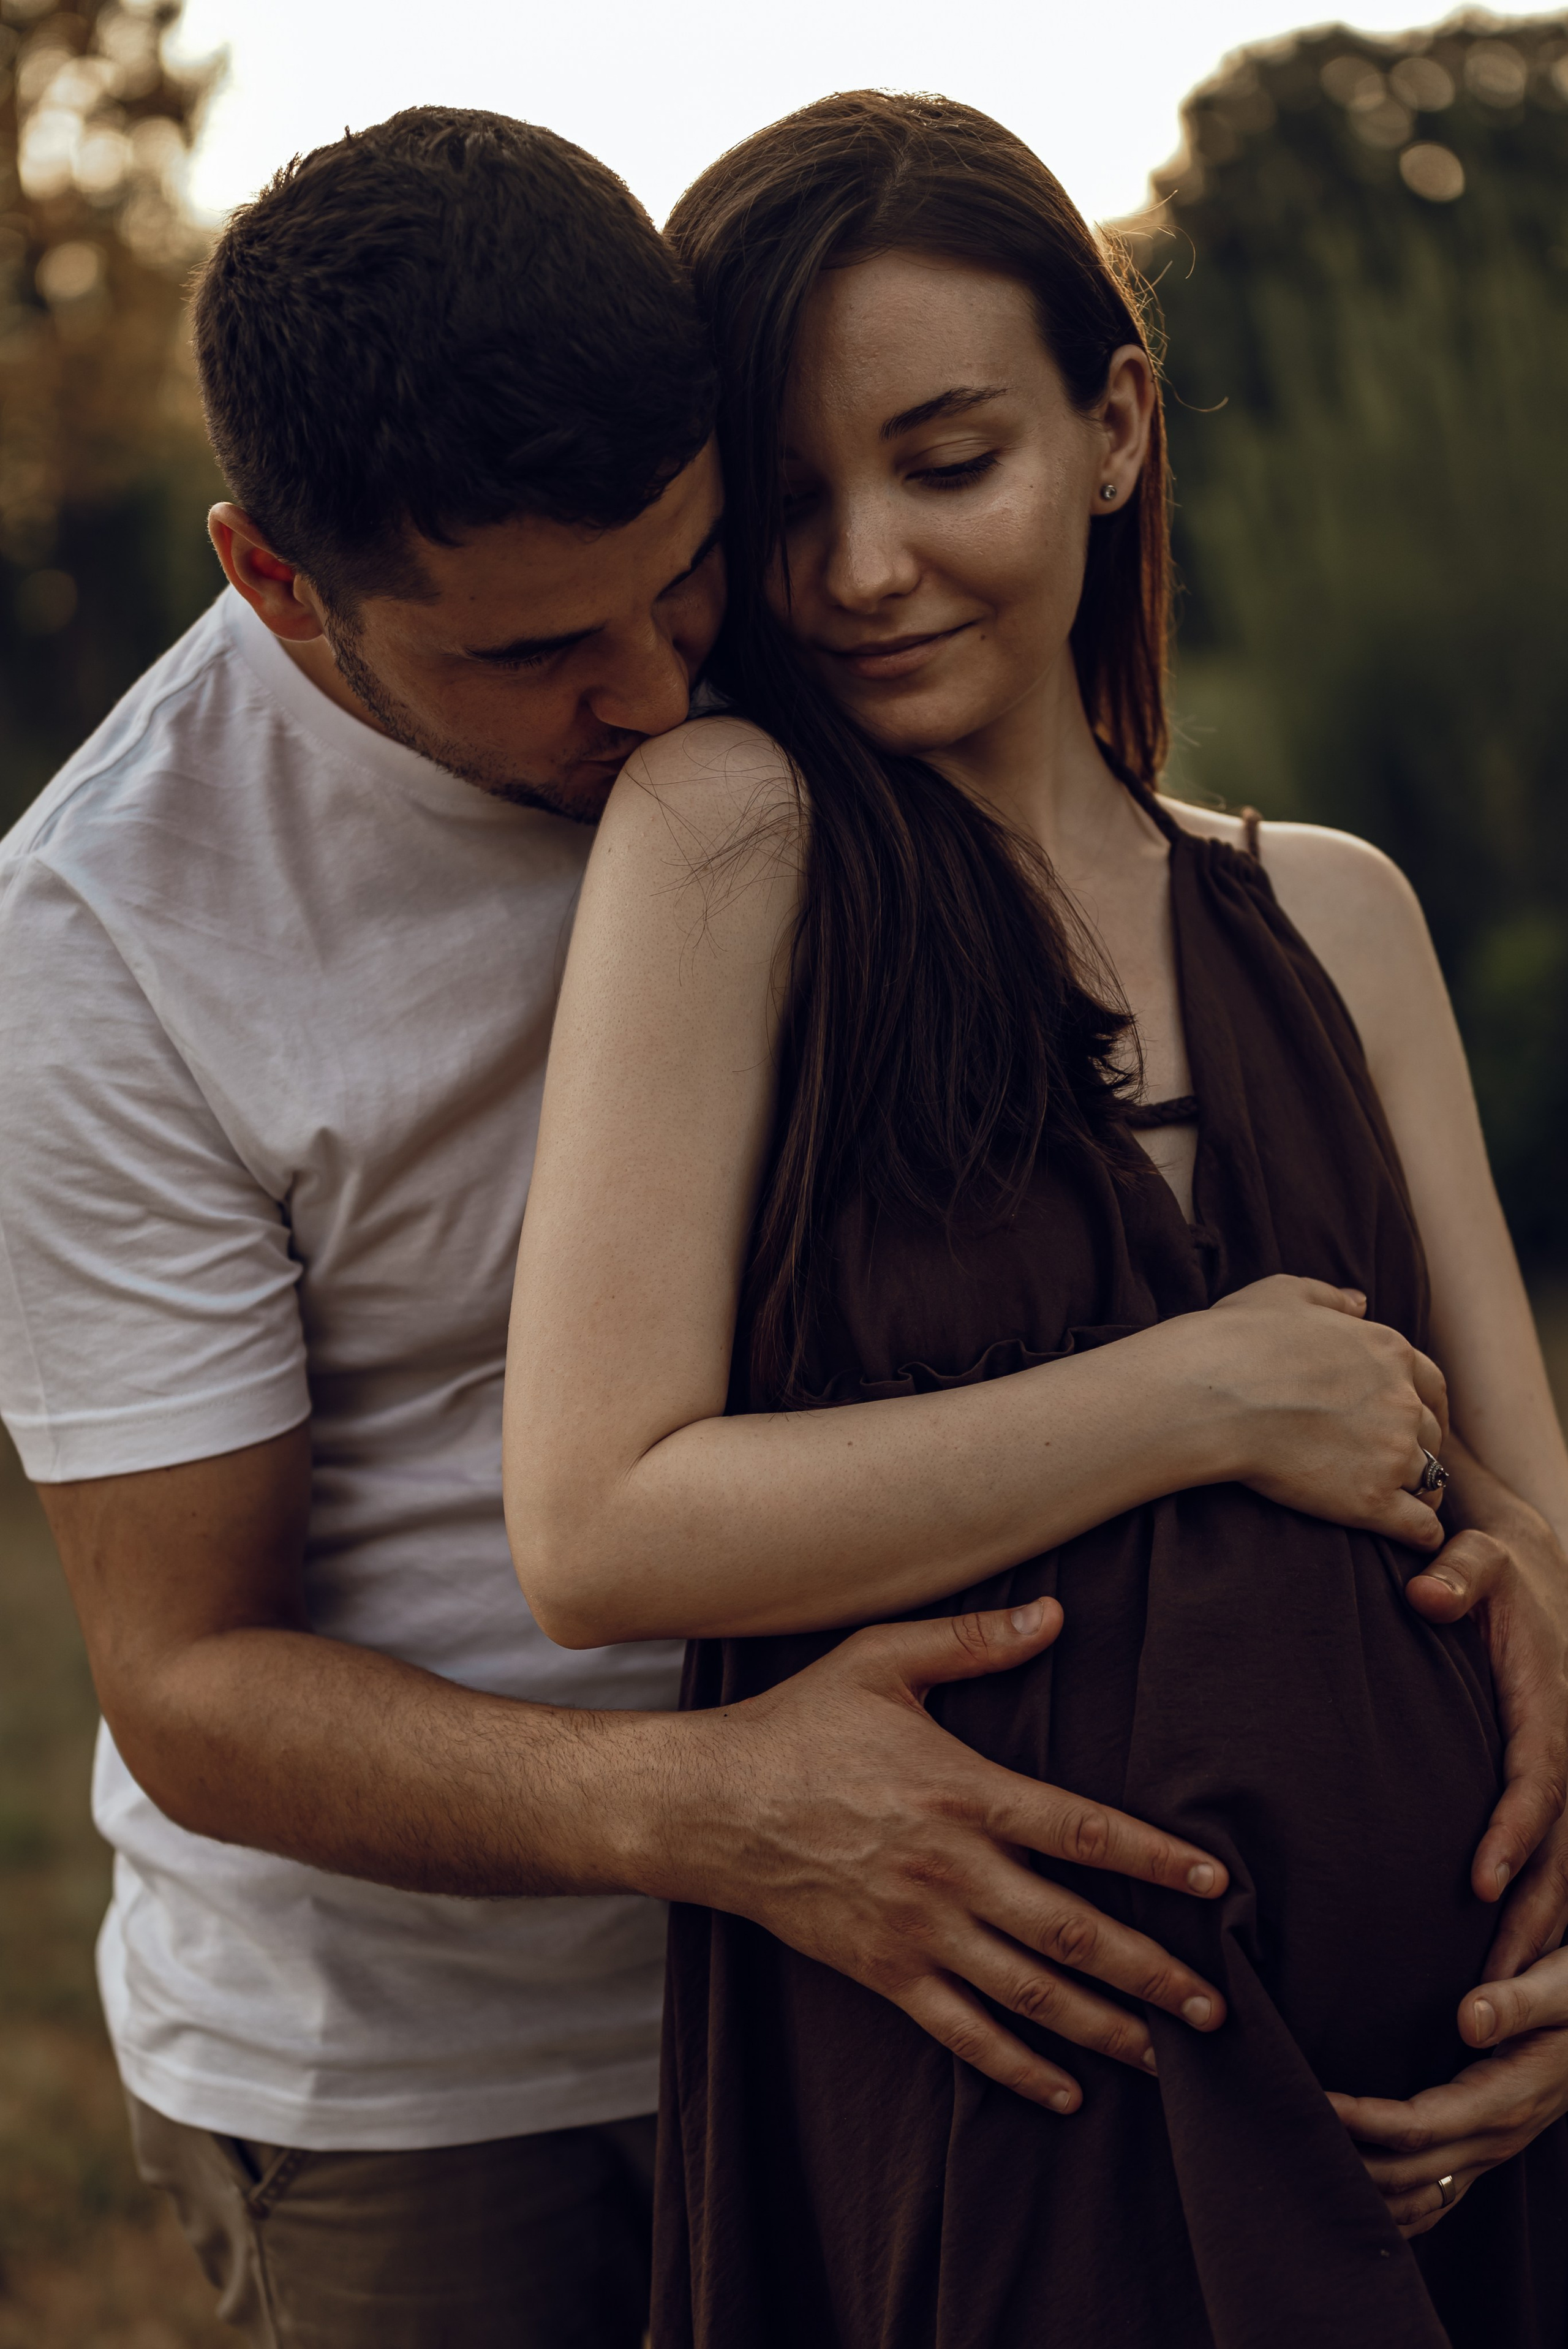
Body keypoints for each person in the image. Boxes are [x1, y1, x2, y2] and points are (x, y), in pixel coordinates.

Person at [0, 105, 1395, 2347]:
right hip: (441, 2079)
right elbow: (191, 1683)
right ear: (279, 583)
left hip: (933, 1976)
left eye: (682, 578)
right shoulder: (105, 939)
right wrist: (718, 1810)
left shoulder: (799, 626)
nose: (654, 693)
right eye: (540, 654)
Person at [503, 92, 1568, 2347]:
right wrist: (1194, 1397)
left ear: (1113, 427)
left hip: (1459, 2121)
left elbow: (1535, 1524)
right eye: (789, 504)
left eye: (947, 460)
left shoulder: (1337, 914)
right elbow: (600, 1521)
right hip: (1012, 2108)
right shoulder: (733, 840)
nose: (864, 565)